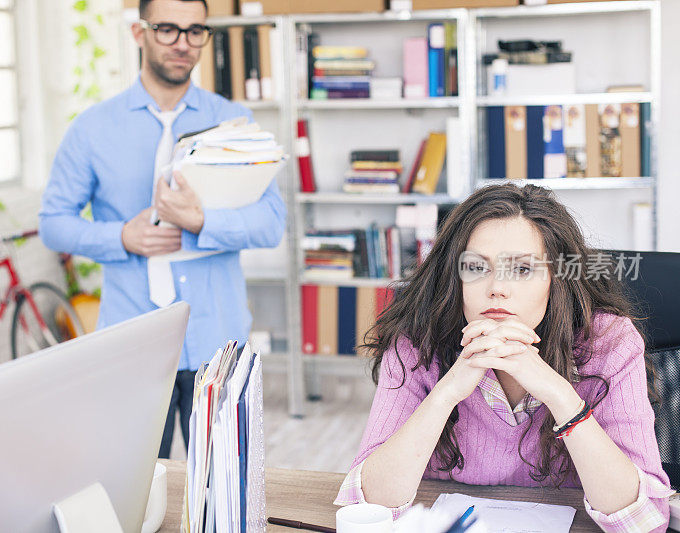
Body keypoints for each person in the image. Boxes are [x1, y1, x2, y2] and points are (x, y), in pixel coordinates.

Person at [335, 184, 673, 532]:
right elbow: (367, 508)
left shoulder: (609, 341)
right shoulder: (417, 340)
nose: (497, 287)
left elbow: (644, 522)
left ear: (555, 280)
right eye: (476, 267)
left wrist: (558, 394)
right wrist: (447, 392)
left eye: (523, 270)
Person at [39, 0, 286, 459]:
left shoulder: (234, 123)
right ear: (139, 32)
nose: (183, 44)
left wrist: (202, 222)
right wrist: (120, 238)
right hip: (132, 345)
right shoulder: (93, 128)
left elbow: (272, 224)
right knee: (135, 491)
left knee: (221, 498)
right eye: (168, 29)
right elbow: (53, 224)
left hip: (218, 344)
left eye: (196, 32)